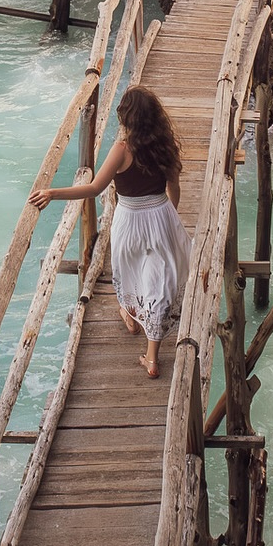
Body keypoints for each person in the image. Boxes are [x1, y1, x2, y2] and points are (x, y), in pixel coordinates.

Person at [29, 84, 190, 378]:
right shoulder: (166, 146)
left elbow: (94, 188)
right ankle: (152, 358)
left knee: (129, 271)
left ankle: (129, 314)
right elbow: (173, 187)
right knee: (159, 282)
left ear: (126, 118)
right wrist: (169, 216)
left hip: (129, 220)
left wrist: (52, 192)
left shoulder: (122, 150)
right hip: (160, 214)